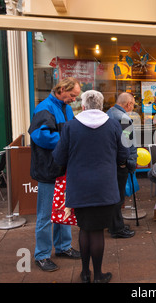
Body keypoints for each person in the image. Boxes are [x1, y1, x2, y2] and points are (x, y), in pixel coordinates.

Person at [52, 90, 129, 283]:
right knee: (97, 231)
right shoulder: (113, 125)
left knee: (85, 229)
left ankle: (85, 273)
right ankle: (99, 275)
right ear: (102, 106)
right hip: (105, 186)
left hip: (79, 186)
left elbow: (59, 157)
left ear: (83, 106)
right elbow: (123, 154)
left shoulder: (70, 127)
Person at [28, 77, 81, 272]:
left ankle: (63, 247)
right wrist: (68, 139)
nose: (74, 99)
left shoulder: (64, 107)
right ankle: (41, 255)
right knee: (45, 215)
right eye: (72, 95)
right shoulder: (45, 108)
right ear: (61, 90)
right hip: (49, 170)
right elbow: (40, 136)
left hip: (62, 169)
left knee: (64, 210)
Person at [106, 92, 137, 238]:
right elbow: (128, 144)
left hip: (108, 161)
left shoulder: (108, 114)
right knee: (118, 196)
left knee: (111, 195)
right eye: (133, 104)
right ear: (128, 104)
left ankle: (112, 224)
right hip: (120, 163)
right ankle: (117, 228)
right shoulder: (124, 118)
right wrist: (130, 162)